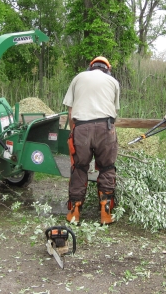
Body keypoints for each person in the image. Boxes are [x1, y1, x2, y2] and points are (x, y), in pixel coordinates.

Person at [62, 56, 120, 225]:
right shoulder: (113, 81)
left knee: (79, 168)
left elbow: (70, 113)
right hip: (106, 127)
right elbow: (114, 111)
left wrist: (75, 132)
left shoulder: (78, 78)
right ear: (107, 69)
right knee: (107, 167)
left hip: (82, 127)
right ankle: (106, 213)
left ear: (91, 67)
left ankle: (74, 213)